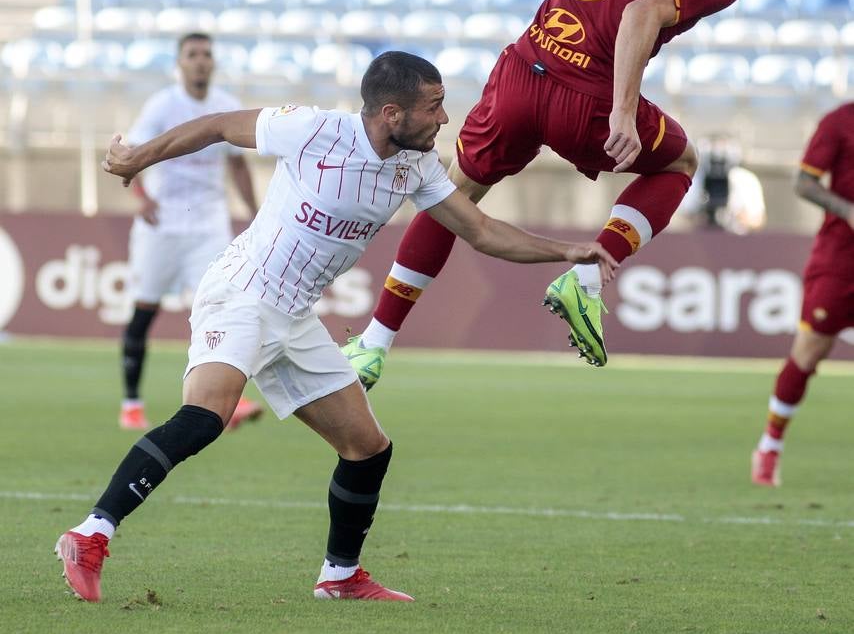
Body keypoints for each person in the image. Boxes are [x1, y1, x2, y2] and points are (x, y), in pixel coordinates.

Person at [55, 51, 616, 604]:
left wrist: (568, 251)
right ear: (392, 113)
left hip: (296, 317)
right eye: (435, 106)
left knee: (368, 447)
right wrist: (137, 159)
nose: (445, 119)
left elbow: (483, 231)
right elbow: (219, 126)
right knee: (206, 417)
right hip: (242, 293)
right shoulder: (313, 129)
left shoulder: (417, 165)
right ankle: (90, 535)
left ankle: (339, 576)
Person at [343, 0, 800, 385]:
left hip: (520, 73)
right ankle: (584, 280)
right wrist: (624, 112)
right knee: (681, 163)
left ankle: (373, 343)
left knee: (451, 198)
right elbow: (641, 13)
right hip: (583, 99)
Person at [118, 31, 261, 432]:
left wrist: (254, 212)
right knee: (145, 310)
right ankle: (131, 403)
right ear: (179, 62)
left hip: (207, 224)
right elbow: (132, 154)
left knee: (219, 311)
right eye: (193, 54)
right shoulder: (163, 105)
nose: (201, 60)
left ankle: (223, 403)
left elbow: (237, 163)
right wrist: (142, 197)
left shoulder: (226, 107)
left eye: (206, 54)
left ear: (213, 63)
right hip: (161, 225)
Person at [751, 103, 854, 487]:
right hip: (841, 260)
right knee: (810, 352)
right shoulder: (840, 122)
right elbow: (804, 183)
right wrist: (847, 210)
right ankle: (769, 446)